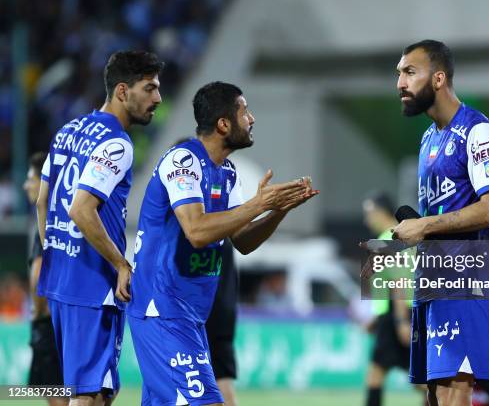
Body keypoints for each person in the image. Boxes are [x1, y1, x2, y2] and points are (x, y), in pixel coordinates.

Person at [127, 81, 318, 406]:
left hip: (191, 314)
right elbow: (197, 232)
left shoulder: (226, 173)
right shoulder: (183, 161)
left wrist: (278, 210)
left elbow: (241, 241)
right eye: (245, 111)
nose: (252, 118)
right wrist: (259, 204)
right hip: (162, 309)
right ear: (223, 124)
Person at [36, 51, 163, 406]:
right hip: (92, 287)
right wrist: (121, 264)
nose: (158, 99)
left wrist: (56, 254)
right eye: (149, 88)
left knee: (97, 392)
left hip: (62, 281)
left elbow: (41, 201)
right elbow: (81, 209)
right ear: (122, 91)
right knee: (89, 396)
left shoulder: (69, 130)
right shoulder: (117, 143)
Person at [391, 40, 489, 405]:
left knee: (453, 392)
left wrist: (424, 226)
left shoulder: (478, 132)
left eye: (410, 72)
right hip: (433, 278)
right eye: (399, 73)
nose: (399, 83)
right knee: (434, 394)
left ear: (438, 78)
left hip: (467, 279)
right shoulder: (428, 138)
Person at [24, 152, 68, 406]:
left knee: (55, 394)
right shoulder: (59, 217)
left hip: (48, 322)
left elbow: (39, 271)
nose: (26, 184)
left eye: (30, 178)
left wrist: (38, 315)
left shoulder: (47, 222)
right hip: (60, 320)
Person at [361, 192, 413, 406]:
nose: (367, 220)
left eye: (369, 214)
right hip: (396, 313)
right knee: (417, 377)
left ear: (380, 212)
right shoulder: (400, 236)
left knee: (376, 374)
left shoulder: (387, 238)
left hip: (397, 314)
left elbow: (398, 279)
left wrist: (400, 320)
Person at [205, 238, 240, 406]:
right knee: (221, 377)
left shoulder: (200, 228)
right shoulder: (225, 230)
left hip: (203, 313)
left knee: (212, 381)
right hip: (224, 311)